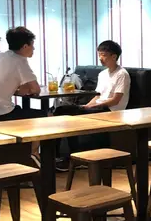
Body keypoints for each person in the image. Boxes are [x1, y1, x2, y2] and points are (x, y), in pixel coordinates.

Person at [54, 40, 130, 168]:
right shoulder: (102, 74)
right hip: (99, 107)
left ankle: (73, 158)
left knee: (70, 115)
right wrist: (86, 106)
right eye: (99, 55)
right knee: (60, 111)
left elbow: (115, 100)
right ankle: (58, 156)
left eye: (104, 55)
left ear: (114, 56)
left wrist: (92, 106)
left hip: (111, 110)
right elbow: (97, 95)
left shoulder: (122, 74)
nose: (100, 58)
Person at [0, 27, 42, 121]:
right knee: (44, 114)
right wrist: (25, 89)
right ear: (25, 46)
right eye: (32, 45)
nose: (34, 48)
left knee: (20, 109)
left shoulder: (1, 56)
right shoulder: (19, 61)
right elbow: (36, 89)